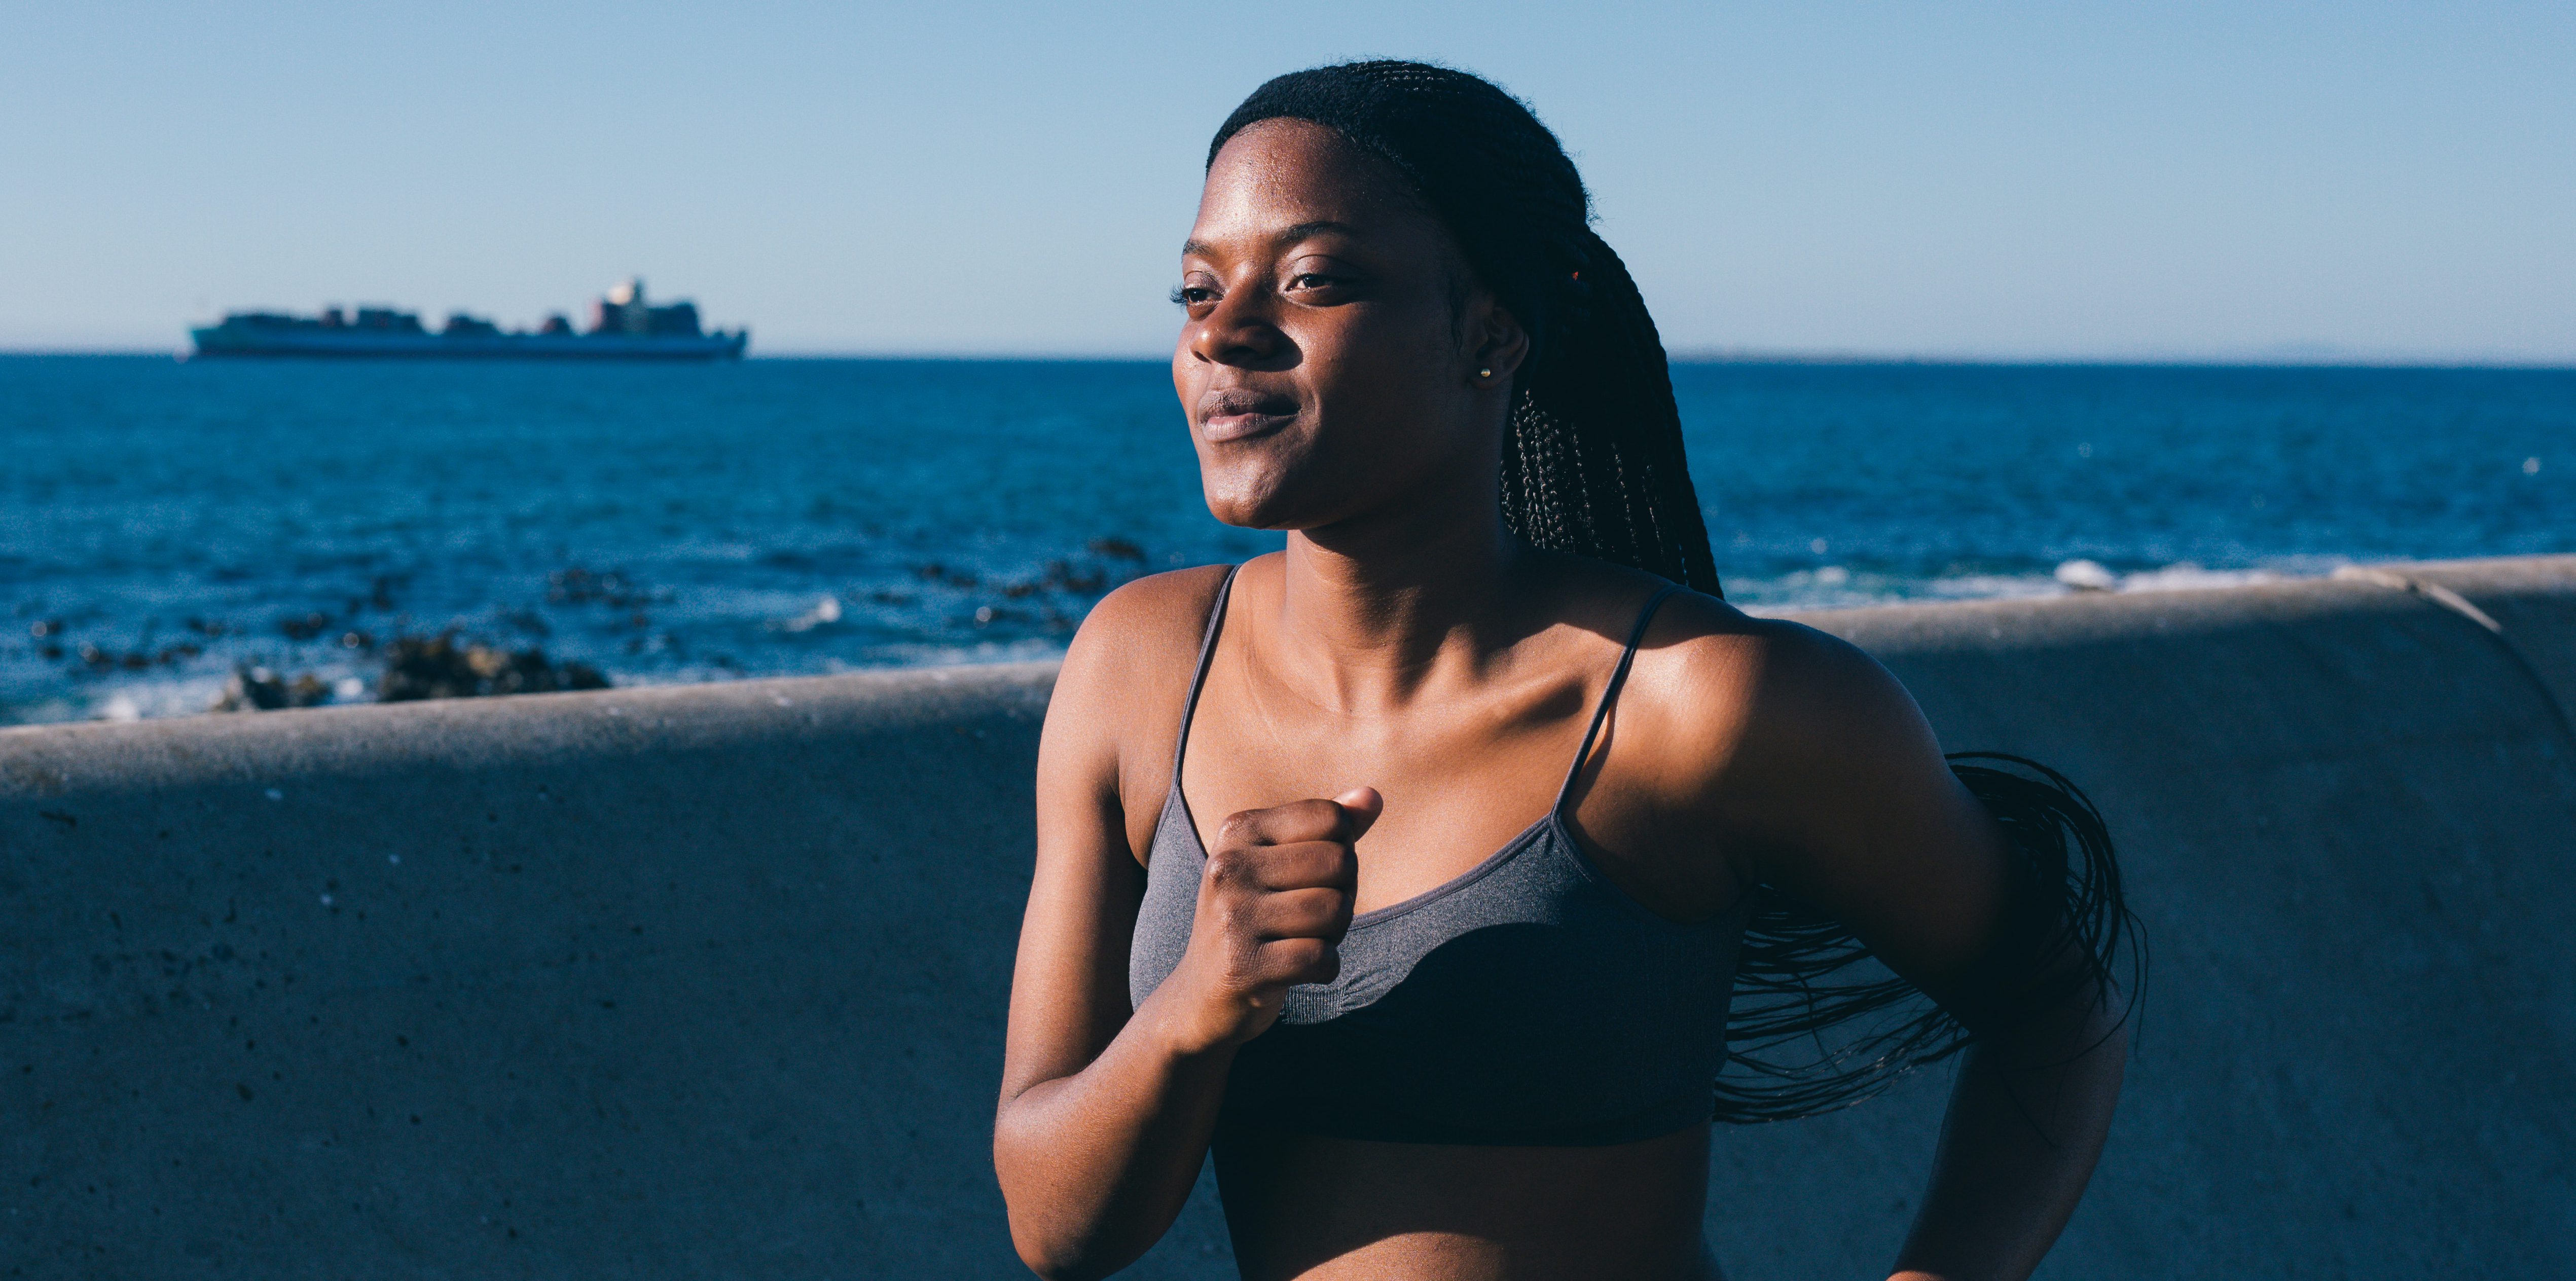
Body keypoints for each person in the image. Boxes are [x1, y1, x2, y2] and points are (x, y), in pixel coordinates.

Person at [996, 61, 2136, 1281]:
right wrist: (1192, 1010)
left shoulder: (1702, 705)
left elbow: (2058, 1003)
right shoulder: (1138, 669)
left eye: (1314, 279)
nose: (1220, 334)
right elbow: (1058, 1231)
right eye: (1196, 288)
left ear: (1489, 332)